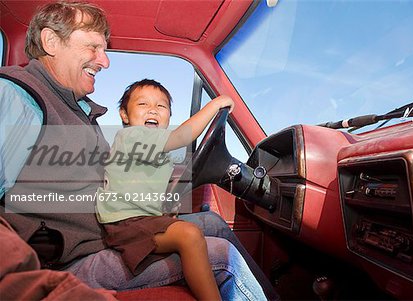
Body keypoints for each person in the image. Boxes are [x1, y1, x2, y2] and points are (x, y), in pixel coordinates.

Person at [0, 1, 278, 300]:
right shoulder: (17, 96)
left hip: (106, 236)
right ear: (51, 42)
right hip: (69, 263)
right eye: (93, 47)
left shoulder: (79, 110)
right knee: (223, 258)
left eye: (104, 50)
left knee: (211, 222)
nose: (104, 62)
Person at [96, 79, 234, 300]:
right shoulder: (131, 137)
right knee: (189, 235)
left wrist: (163, 208)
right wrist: (215, 105)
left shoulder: (153, 148)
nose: (153, 109)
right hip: (125, 223)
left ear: (169, 115)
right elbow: (182, 136)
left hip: (140, 218)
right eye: (143, 104)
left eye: (161, 106)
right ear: (124, 115)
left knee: (213, 221)